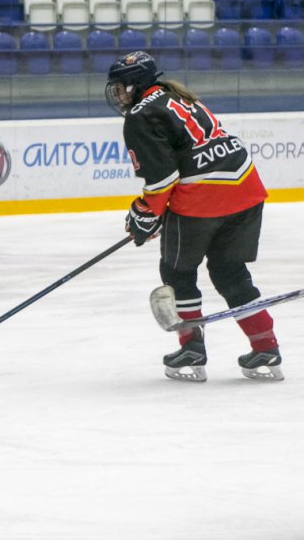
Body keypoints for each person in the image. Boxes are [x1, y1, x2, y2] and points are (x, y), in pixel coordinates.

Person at [106, 50, 282, 383]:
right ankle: (266, 347)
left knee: (177, 271)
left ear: (135, 84)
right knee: (230, 272)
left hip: (203, 200)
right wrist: (153, 212)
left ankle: (192, 348)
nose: (117, 94)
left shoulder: (141, 115)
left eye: (120, 86)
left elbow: (162, 179)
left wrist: (145, 212)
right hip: (246, 189)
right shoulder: (179, 96)